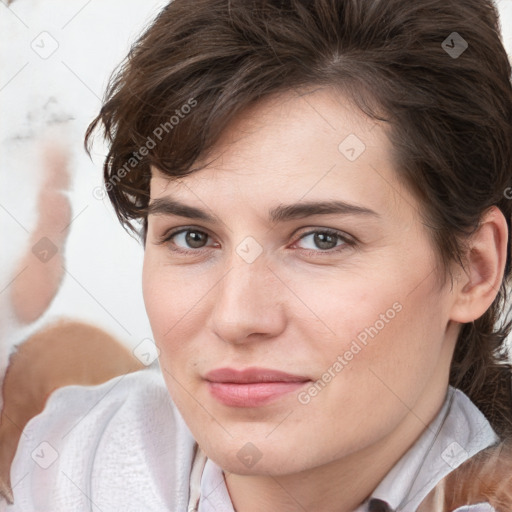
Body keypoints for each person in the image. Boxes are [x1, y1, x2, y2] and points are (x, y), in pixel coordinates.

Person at [6, 0, 512, 510]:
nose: (236, 317)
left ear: (474, 270)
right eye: (192, 237)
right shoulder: (63, 464)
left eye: (322, 239)